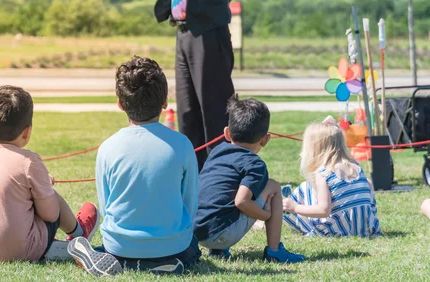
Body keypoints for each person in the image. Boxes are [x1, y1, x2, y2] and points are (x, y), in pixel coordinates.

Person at [68, 56, 201, 275]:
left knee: (111, 251)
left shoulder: (108, 147)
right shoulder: (182, 145)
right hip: (173, 247)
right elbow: (190, 204)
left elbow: (107, 204)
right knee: (192, 249)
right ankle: (157, 264)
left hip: (120, 247)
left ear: (120, 104)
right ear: (165, 101)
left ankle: (112, 259)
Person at [0, 85, 103, 263]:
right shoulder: (28, 161)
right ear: (27, 132)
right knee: (51, 196)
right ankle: (78, 232)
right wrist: (44, 186)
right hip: (17, 252)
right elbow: (51, 215)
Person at [194, 96, 305, 263]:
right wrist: (265, 214)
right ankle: (274, 251)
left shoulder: (216, 152)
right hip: (220, 233)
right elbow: (241, 202)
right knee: (273, 187)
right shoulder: (255, 164)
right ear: (265, 139)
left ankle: (217, 250)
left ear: (226, 133)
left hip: (195, 232)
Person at [154, 0, 235, 170]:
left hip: (208, 29)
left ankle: (220, 174)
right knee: (187, 112)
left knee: (215, 112)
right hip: (184, 29)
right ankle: (192, 173)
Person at [282, 116, 382, 237]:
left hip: (337, 231)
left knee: (304, 189)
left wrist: (295, 207)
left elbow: (324, 210)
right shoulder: (356, 167)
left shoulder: (323, 174)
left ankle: (273, 216)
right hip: (365, 228)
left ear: (314, 150)